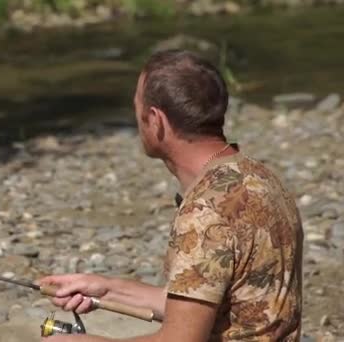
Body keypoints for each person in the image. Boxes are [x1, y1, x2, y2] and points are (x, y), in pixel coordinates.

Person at [38, 50, 303, 342]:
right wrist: (107, 288)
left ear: (155, 120)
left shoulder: (204, 212)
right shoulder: (259, 176)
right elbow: (201, 299)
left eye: (137, 107)